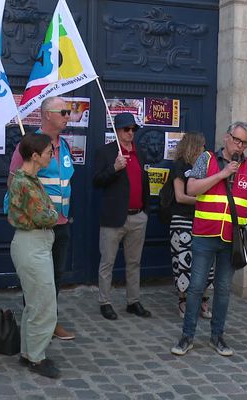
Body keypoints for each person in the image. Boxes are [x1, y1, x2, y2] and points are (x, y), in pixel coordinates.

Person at [171, 121, 247, 357]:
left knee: (224, 289)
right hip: (205, 235)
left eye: (244, 142)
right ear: (227, 138)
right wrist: (223, 174)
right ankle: (187, 336)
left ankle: (217, 336)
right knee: (196, 287)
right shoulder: (206, 159)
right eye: (236, 139)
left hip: (232, 239)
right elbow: (191, 188)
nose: (239, 145)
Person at [8, 96, 75, 340]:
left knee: (55, 276)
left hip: (62, 222)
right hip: (37, 226)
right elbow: (14, 180)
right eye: (64, 112)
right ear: (47, 115)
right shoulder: (30, 144)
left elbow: (65, 180)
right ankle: (36, 323)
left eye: (69, 112)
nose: (69, 116)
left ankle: (50, 319)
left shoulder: (64, 145)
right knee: (37, 279)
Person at [8, 133, 60, 379]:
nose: (52, 155)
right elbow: (46, 216)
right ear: (36, 156)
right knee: (44, 303)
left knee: (35, 302)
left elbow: (48, 211)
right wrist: (52, 213)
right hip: (32, 243)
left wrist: (51, 211)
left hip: (35, 243)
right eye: (49, 152)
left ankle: (28, 352)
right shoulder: (25, 183)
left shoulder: (30, 179)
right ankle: (37, 358)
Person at [93, 112, 152, 320]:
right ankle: (105, 302)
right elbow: (97, 181)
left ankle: (133, 301)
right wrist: (114, 168)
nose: (130, 133)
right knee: (107, 262)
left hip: (137, 216)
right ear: (116, 131)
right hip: (113, 217)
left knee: (134, 262)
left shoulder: (140, 153)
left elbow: (144, 183)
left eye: (133, 129)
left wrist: (146, 210)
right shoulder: (106, 152)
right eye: (126, 129)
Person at [168, 132, 213, 319]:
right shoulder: (180, 166)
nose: (204, 149)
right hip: (182, 220)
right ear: (194, 146)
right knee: (183, 262)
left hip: (202, 220)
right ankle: (183, 301)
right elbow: (180, 196)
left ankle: (203, 301)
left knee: (204, 263)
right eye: (201, 146)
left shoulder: (204, 167)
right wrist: (204, 201)